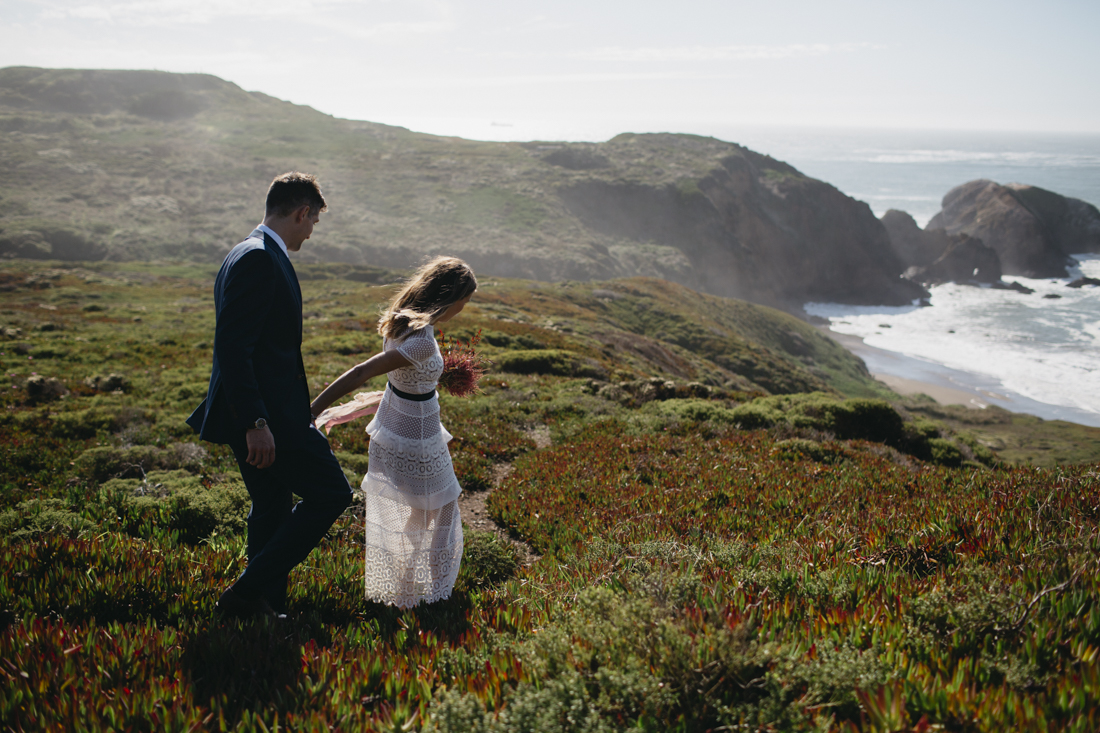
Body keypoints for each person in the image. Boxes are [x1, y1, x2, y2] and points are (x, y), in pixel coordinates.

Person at [187, 172, 352, 619]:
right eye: (313, 221)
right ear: (302, 213)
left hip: (267, 414)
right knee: (332, 494)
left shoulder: (245, 251)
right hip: (267, 421)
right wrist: (256, 423)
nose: (311, 231)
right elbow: (233, 349)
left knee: (272, 506)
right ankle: (245, 593)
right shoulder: (259, 259)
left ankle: (259, 607)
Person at [310, 256, 476, 609]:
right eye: (466, 300)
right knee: (441, 508)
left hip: (414, 427)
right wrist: (312, 410)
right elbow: (360, 372)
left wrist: (434, 377)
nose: (464, 309)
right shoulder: (419, 341)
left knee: (424, 509)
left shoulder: (407, 326)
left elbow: (405, 376)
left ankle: (409, 585)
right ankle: (430, 594)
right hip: (412, 437)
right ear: (452, 296)